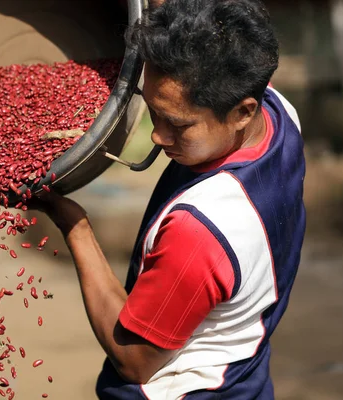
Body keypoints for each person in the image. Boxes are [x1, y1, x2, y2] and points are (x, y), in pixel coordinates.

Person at [36, 0, 306, 398]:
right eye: (153, 113)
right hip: (245, 380)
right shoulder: (280, 113)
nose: (157, 137)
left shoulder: (201, 231)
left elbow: (134, 360)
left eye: (178, 124)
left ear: (241, 112)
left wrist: (72, 224)